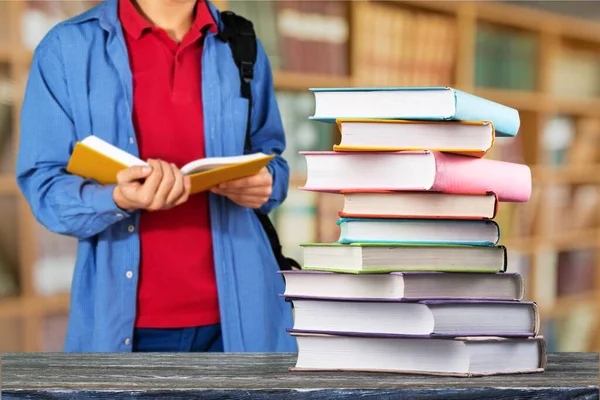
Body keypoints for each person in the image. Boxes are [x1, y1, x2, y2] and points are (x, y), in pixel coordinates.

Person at [16, 0, 296, 353]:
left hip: (246, 323)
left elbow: (275, 162)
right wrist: (116, 199)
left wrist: (267, 183)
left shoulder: (241, 43)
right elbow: (44, 188)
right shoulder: (66, 48)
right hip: (126, 330)